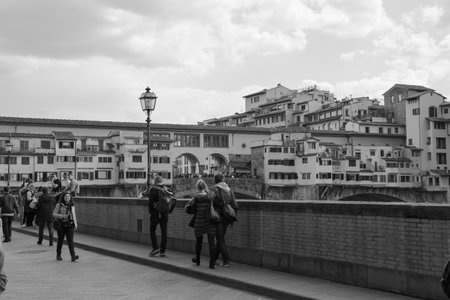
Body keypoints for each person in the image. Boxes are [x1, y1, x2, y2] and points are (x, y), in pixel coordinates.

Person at [187, 179, 216, 269]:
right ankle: (212, 263)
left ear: (198, 187)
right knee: (211, 243)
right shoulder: (210, 196)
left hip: (199, 221)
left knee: (198, 242)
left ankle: (198, 259)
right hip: (210, 221)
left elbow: (188, 209)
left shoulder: (195, 198)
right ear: (205, 187)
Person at [211, 174, 238, 268]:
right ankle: (214, 260)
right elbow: (235, 204)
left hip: (218, 216)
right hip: (227, 216)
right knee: (220, 238)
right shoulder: (229, 189)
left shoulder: (214, 189)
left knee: (220, 239)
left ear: (215, 180)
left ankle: (226, 261)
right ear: (223, 180)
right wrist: (233, 218)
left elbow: (210, 201)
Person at [147, 176, 172, 257]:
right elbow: (172, 200)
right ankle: (162, 251)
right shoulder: (166, 189)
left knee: (152, 229)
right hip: (164, 213)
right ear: (162, 182)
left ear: (155, 182)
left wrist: (151, 212)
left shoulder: (153, 189)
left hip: (156, 213)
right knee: (164, 232)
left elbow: (151, 202)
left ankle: (155, 248)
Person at [52, 192, 79, 261]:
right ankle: (58, 255)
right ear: (63, 197)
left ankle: (73, 256)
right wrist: (62, 216)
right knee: (60, 241)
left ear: (70, 198)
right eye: (66, 196)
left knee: (70, 241)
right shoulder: (59, 205)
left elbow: (74, 215)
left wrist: (75, 224)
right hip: (61, 225)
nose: (67, 198)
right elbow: (54, 214)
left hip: (70, 225)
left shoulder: (72, 205)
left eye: (68, 197)